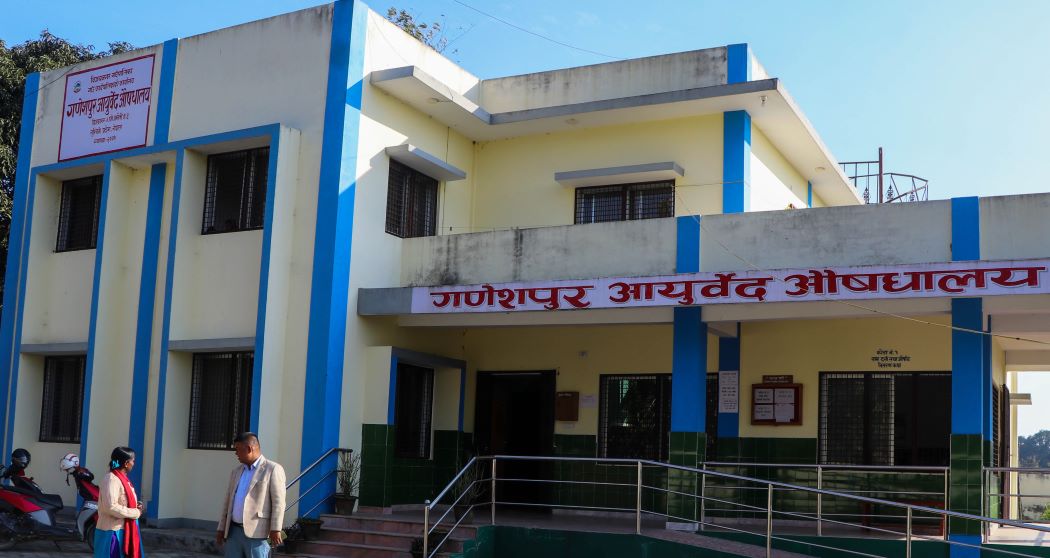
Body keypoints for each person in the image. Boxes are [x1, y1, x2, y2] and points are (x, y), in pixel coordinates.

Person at [216, 432, 286, 557]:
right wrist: (221, 528)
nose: (235, 453)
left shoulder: (272, 469)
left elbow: (278, 503)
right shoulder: (236, 471)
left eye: (237, 449)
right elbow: (228, 502)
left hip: (257, 534)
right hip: (233, 532)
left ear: (249, 448)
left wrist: (276, 528)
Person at [96, 447, 145, 558]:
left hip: (125, 529)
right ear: (126, 463)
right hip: (112, 531)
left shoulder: (123, 478)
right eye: (133, 461)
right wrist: (136, 512)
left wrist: (136, 505)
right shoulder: (111, 479)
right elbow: (111, 506)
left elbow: (123, 501)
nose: (134, 464)